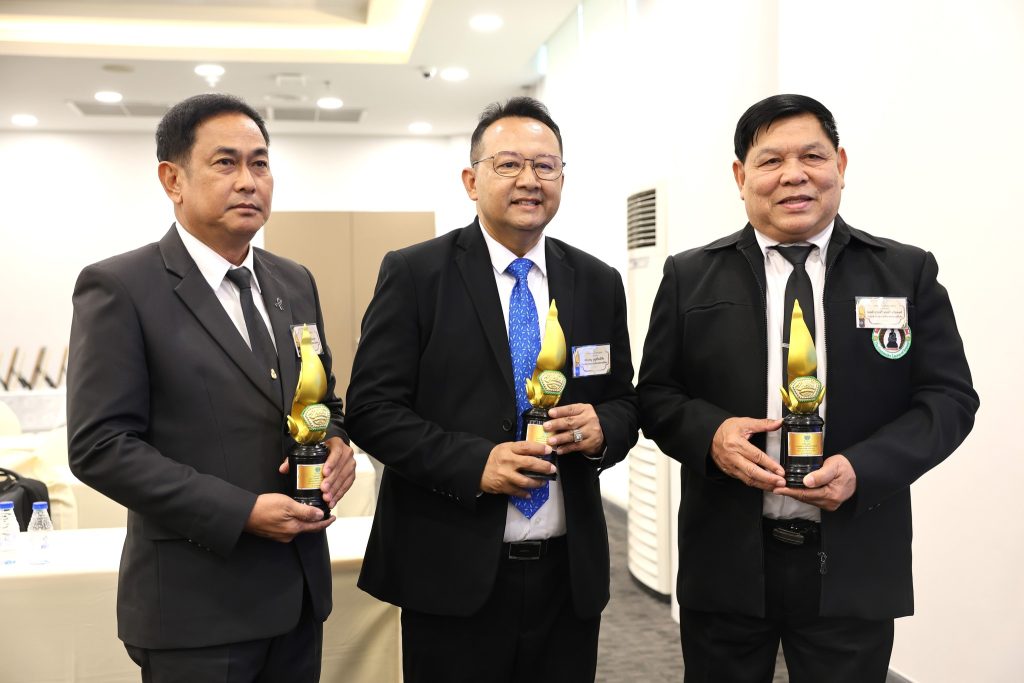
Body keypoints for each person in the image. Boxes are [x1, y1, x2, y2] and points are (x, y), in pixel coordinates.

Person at [637, 94, 979, 682]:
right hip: (725, 559)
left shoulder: (904, 272)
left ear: (840, 165)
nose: (793, 175)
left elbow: (949, 399)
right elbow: (657, 395)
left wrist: (864, 469)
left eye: (812, 156)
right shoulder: (689, 276)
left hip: (855, 559)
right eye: (771, 160)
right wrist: (712, 435)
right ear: (741, 177)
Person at [346, 96, 639, 683]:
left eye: (545, 166)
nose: (529, 180)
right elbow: (372, 410)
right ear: (471, 180)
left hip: (567, 576)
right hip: (450, 570)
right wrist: (474, 463)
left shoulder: (597, 281)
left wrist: (603, 428)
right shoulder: (416, 273)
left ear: (562, 178)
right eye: (508, 164)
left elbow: (625, 401)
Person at [67, 93, 356, 682]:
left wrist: (337, 442)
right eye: (226, 163)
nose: (248, 181)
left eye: (260, 163)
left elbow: (320, 400)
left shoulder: (293, 282)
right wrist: (241, 512)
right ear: (172, 179)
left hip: (298, 595)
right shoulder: (121, 286)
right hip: (196, 606)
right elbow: (100, 447)